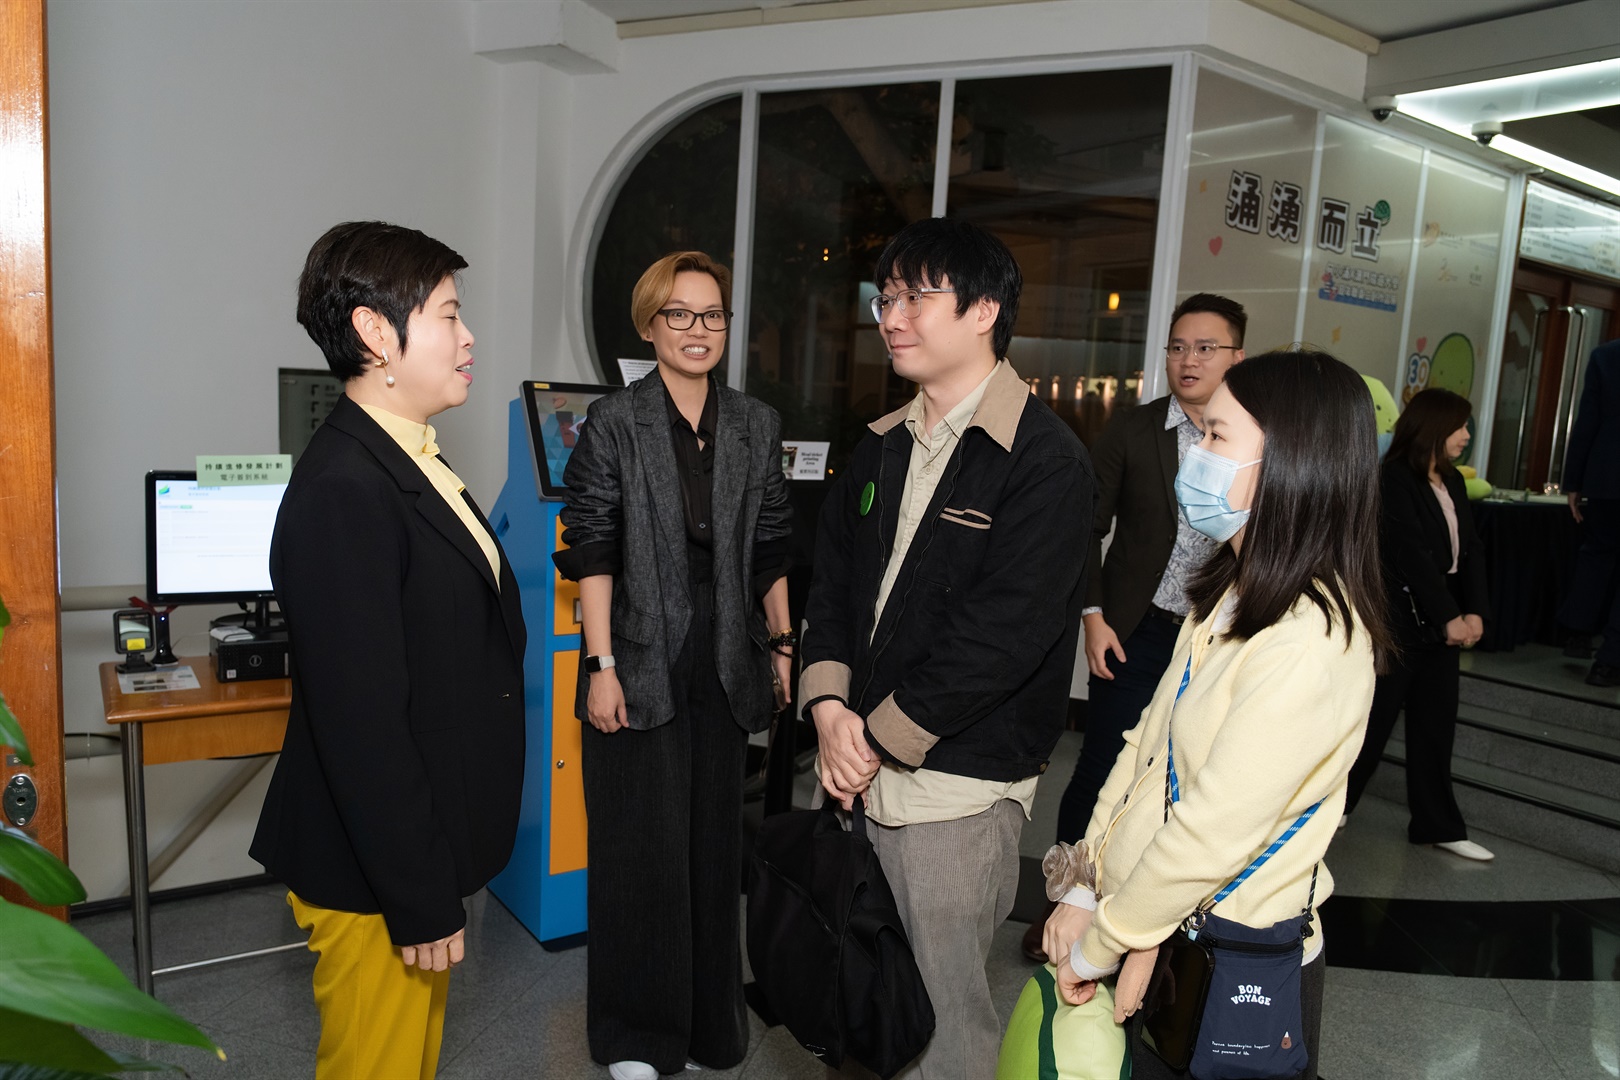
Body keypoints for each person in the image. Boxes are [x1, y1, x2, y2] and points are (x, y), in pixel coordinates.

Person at [1042, 350, 1392, 1080]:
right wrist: (1087, 883)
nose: (1195, 453)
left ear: (1291, 463)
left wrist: (1101, 943)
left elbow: (1213, 831)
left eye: (1216, 436)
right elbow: (1146, 748)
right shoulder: (1232, 594)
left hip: (1227, 957)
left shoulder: (1312, 642)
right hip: (1154, 922)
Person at [800, 217, 1094, 1079]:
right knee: (851, 994)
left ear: (984, 310)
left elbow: (1004, 637)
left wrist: (871, 739)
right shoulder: (880, 444)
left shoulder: (1044, 461)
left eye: (917, 297)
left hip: (955, 787)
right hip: (851, 764)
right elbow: (832, 589)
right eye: (885, 298)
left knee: (939, 1021)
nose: (892, 317)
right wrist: (827, 710)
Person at [251, 221, 527, 1079]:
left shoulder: (408, 459)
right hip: (373, 874)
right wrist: (417, 897)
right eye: (448, 314)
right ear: (376, 333)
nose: (469, 336)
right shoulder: (344, 489)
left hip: (412, 852)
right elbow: (361, 726)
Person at [554, 251, 793, 1080]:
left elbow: (772, 545)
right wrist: (600, 665)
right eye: (680, 314)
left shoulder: (755, 423)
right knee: (638, 853)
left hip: (727, 660)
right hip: (637, 658)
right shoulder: (614, 422)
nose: (699, 330)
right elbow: (591, 549)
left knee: (713, 851)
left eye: (712, 314)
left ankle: (708, 1028)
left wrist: (784, 645)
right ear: (650, 325)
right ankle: (636, 1036)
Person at [1025, 292, 1247, 962]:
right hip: (1136, 630)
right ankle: (1061, 907)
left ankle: (1148, 922)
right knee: (1103, 768)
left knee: (1194, 778)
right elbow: (1083, 528)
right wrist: (1093, 616)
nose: (1188, 359)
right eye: (1178, 347)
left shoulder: (1257, 437)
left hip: (1218, 637)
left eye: (1205, 348)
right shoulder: (1134, 429)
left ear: (1237, 357)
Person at [1345, 388, 1494, 861]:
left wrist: (1475, 611)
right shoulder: (1393, 478)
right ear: (1435, 426)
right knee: (1372, 722)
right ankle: (1333, 805)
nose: (1466, 436)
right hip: (1400, 620)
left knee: (1436, 726)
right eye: (1460, 426)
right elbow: (1409, 554)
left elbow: (1471, 551)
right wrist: (1449, 616)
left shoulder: (1450, 481)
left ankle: (1438, 826)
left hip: (1441, 614)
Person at [1558, 337, 1620, 686]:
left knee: (1596, 555)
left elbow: (1587, 422)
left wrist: (1574, 481)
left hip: (1605, 478)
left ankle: (1577, 634)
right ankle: (1609, 661)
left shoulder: (1605, 356)